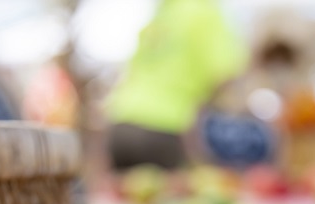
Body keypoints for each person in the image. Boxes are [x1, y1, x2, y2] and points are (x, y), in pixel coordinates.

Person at [102, 0, 249, 171]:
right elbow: (224, 75)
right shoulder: (206, 11)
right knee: (177, 195)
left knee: (134, 194)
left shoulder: (162, 12)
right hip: (166, 127)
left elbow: (131, 74)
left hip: (121, 126)